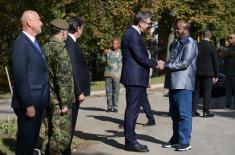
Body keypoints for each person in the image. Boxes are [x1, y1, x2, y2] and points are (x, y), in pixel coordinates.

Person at [11, 10, 50, 155]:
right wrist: (28, 103)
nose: (41, 23)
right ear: (29, 22)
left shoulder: (33, 42)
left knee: (32, 142)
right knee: (25, 144)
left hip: (38, 101)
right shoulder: (21, 43)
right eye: (39, 19)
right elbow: (20, 76)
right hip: (29, 104)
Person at [158, 21, 198, 151]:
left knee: (184, 114)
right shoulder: (175, 44)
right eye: (175, 28)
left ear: (186, 30)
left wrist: (167, 65)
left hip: (184, 83)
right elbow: (173, 61)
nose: (175, 30)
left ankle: (185, 142)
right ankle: (176, 139)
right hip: (173, 83)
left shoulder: (190, 43)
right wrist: (164, 63)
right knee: (174, 114)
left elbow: (185, 63)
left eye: (178, 28)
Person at [121, 12, 158, 152]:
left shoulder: (133, 34)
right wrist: (157, 64)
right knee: (132, 110)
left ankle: (131, 139)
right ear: (140, 23)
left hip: (136, 78)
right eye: (148, 24)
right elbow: (141, 58)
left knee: (134, 109)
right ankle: (130, 142)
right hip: (134, 79)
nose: (149, 26)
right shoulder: (132, 35)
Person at [43, 19, 74, 154]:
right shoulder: (60, 50)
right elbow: (63, 79)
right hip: (58, 101)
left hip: (48, 98)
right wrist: (65, 103)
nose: (66, 35)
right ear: (62, 33)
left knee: (50, 133)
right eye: (66, 32)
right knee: (62, 138)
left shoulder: (45, 47)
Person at [64, 16, 91, 155]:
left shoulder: (71, 42)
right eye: (82, 27)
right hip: (73, 93)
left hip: (74, 92)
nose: (83, 30)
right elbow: (73, 69)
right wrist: (79, 91)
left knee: (70, 126)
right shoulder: (70, 43)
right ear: (77, 28)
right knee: (69, 126)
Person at [192, 30, 219, 117]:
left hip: (197, 72)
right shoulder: (212, 47)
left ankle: (193, 111)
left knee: (196, 92)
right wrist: (216, 75)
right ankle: (206, 111)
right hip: (208, 73)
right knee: (207, 92)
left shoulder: (196, 46)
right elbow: (215, 62)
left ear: (203, 36)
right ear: (210, 36)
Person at [102, 37, 122, 113]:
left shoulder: (121, 52)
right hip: (108, 73)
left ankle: (115, 106)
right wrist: (104, 58)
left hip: (117, 74)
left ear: (118, 45)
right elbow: (102, 59)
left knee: (116, 91)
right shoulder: (107, 51)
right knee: (108, 91)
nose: (114, 45)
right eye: (113, 43)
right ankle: (109, 106)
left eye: (116, 43)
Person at [221, 33, 235, 109]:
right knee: (228, 89)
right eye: (229, 37)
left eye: (231, 38)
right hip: (227, 71)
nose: (229, 39)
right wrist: (227, 54)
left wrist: (229, 54)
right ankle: (228, 105)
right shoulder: (226, 48)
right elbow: (222, 55)